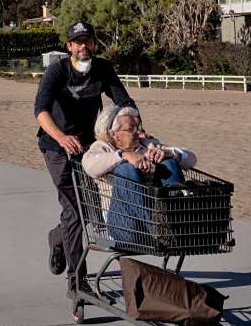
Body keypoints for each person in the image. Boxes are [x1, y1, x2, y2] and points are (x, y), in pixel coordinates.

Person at [34, 20, 136, 306]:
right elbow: (40, 110)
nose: (83, 46)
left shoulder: (102, 68)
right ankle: (77, 284)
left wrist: (136, 127)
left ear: (94, 43)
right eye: (78, 42)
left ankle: (57, 238)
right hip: (56, 147)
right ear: (69, 47)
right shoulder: (57, 71)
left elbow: (123, 100)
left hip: (88, 147)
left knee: (86, 212)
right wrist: (61, 137)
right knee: (76, 212)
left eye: (88, 40)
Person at [82, 105, 196, 248]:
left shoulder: (146, 145)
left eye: (138, 127)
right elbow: (89, 166)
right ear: (113, 134)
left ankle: (176, 223)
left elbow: (192, 159)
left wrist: (170, 153)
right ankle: (158, 229)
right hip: (124, 224)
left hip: (158, 220)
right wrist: (123, 156)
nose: (137, 133)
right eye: (131, 129)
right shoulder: (102, 148)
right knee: (126, 169)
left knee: (170, 163)